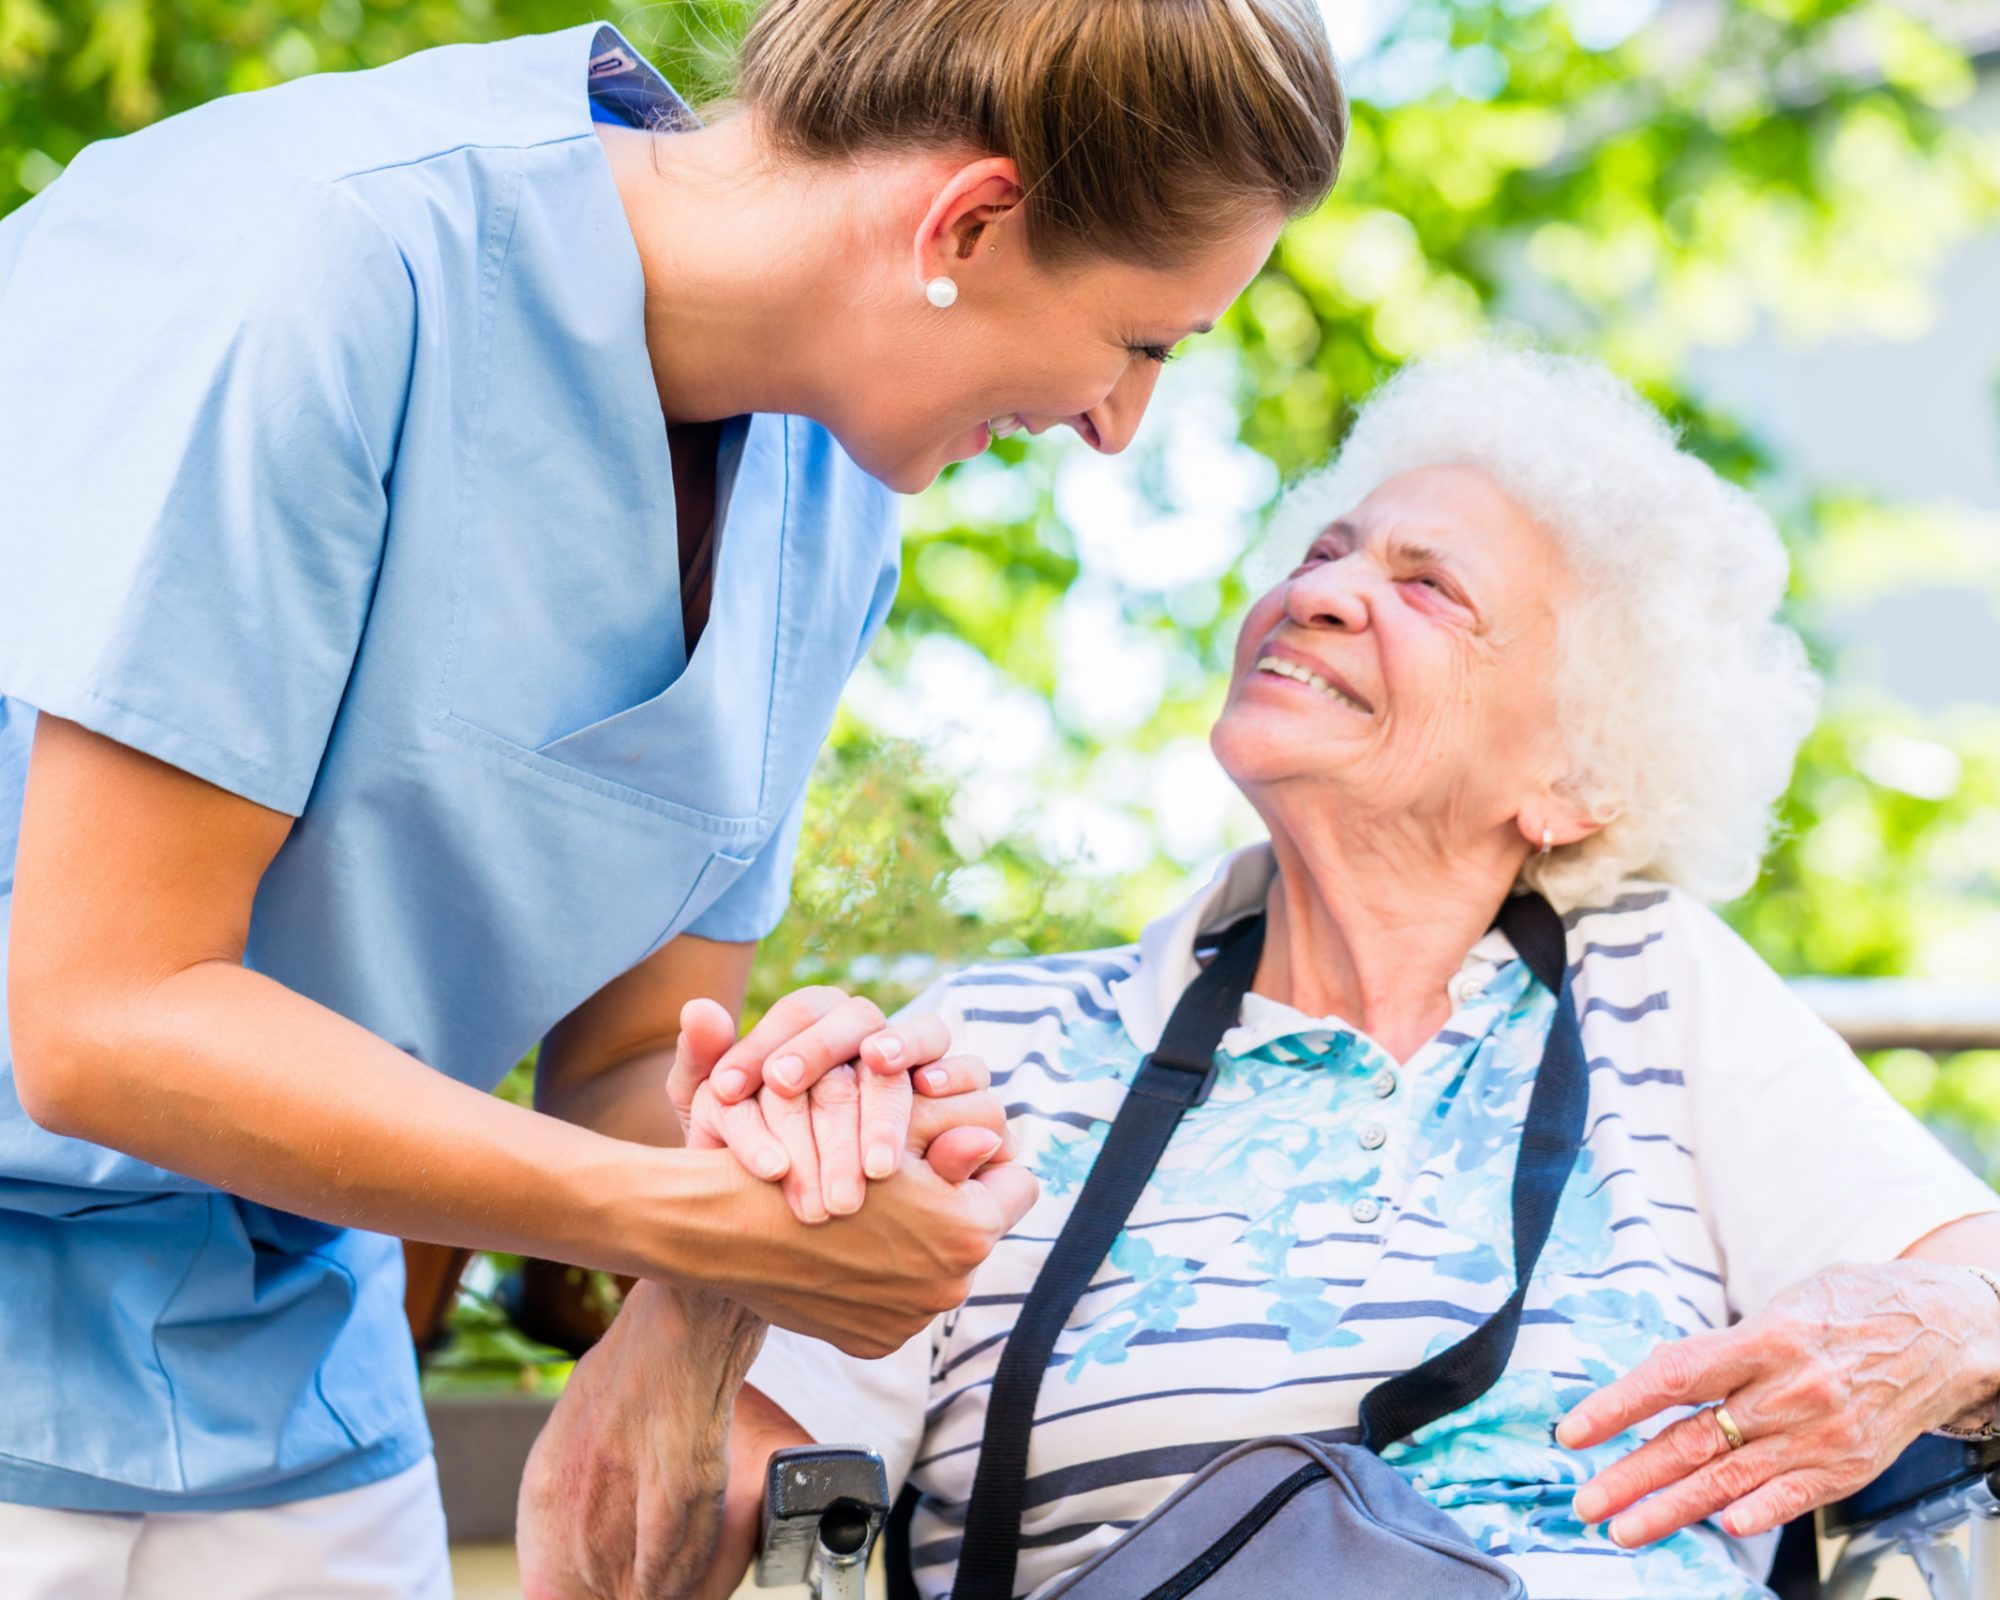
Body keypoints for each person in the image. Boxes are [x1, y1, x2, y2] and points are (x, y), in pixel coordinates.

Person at [0, 1, 1347, 1594]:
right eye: (1140, 344)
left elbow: (631, 1061)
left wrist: (803, 1143)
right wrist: (677, 1219)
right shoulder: (327, 257)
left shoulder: (831, 498)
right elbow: (101, 1018)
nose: (1119, 430)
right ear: (968, 222)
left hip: (289, 1380)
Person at [526, 347, 2000, 1600]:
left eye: (1431, 590)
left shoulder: (1653, 990)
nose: (1330, 593)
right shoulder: (993, 1047)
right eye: (1323, 553)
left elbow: (1976, 1290)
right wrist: (712, 1268)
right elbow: (619, 1573)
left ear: (1574, 779)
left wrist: (1935, 1333)